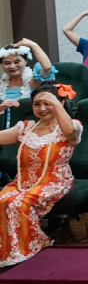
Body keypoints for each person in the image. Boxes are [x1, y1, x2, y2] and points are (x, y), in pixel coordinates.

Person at [0, 84, 81, 266]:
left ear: (60, 102)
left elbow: (70, 133)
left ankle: (30, 248)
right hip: (22, 182)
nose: (42, 108)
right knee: (2, 200)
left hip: (55, 181)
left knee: (16, 203)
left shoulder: (71, 126)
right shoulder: (25, 127)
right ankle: (8, 251)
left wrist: (58, 104)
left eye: (48, 103)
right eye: (37, 104)